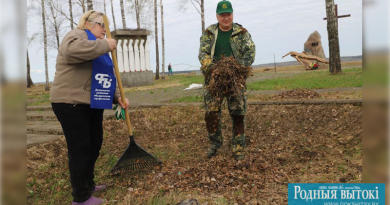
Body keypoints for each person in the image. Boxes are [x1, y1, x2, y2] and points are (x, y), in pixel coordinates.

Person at [49, 10, 129, 205]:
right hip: (70, 103)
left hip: (91, 103)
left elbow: (100, 79)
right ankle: (81, 197)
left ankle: (88, 184)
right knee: (80, 148)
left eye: (107, 27)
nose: (105, 31)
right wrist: (103, 45)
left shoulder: (97, 48)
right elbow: (70, 51)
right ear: (87, 23)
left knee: (94, 144)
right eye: (102, 26)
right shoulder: (77, 35)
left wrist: (117, 97)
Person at [198, 0, 255, 160]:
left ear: (232, 14)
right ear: (217, 16)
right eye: (222, 15)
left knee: (238, 113)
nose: (226, 18)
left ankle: (238, 147)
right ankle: (215, 144)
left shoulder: (242, 33)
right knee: (211, 113)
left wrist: (239, 69)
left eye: (228, 14)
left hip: (235, 80)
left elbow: (250, 52)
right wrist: (213, 69)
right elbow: (203, 54)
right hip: (214, 80)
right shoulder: (209, 33)